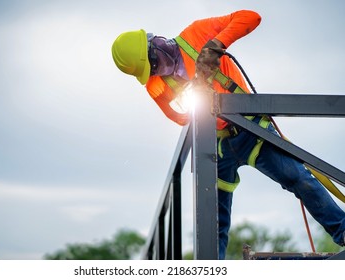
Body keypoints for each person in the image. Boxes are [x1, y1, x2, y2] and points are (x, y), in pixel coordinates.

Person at [111, 10, 345, 259]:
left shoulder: (196, 34)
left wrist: (216, 45)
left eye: (155, 64)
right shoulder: (156, 85)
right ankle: (213, 270)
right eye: (152, 71)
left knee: (299, 179)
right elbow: (177, 117)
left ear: (156, 45)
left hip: (250, 130)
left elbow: (251, 17)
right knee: (214, 221)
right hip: (216, 147)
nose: (157, 72)